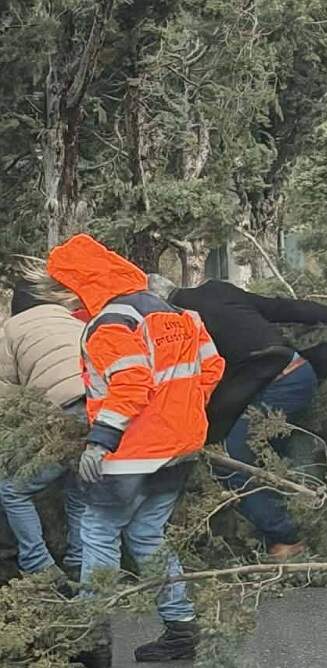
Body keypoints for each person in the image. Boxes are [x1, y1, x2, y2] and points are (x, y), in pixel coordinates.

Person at [34, 234, 225, 665]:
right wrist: (180, 413)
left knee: (99, 534)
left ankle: (92, 640)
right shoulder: (179, 314)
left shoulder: (111, 323)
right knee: (147, 535)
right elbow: (212, 367)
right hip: (180, 446)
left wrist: (100, 440)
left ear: (78, 286)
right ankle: (181, 630)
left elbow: (132, 383)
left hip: (132, 451)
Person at [148, 274, 327, 560]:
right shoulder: (218, 291)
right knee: (273, 456)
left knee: (232, 461)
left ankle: (287, 538)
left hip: (274, 383)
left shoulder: (177, 323)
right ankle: (313, 520)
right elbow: (280, 307)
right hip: (298, 371)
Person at [0, 278, 87, 583]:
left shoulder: (12, 328)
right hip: (101, 412)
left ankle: (39, 565)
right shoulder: (74, 322)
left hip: (63, 413)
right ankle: (79, 564)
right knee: (78, 492)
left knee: (12, 489)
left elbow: (7, 392)